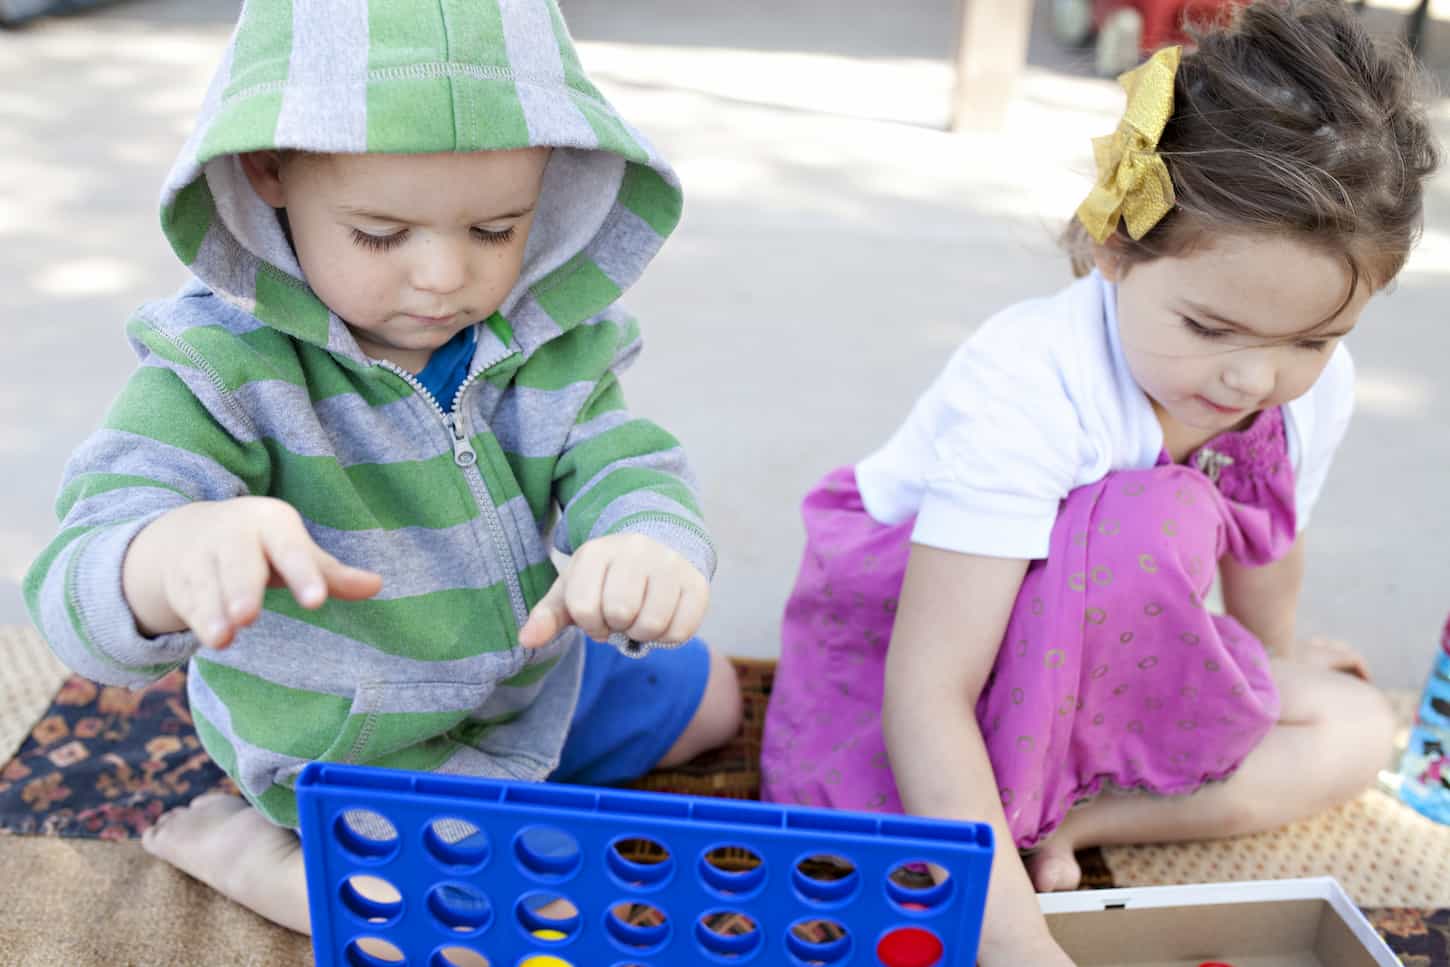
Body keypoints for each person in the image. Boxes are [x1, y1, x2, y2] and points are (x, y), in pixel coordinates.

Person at [24, 0, 741, 935]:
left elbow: (623, 461)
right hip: (346, 733)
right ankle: (254, 851)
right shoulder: (222, 368)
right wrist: (166, 554)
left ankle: (458, 812)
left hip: (522, 686)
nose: (445, 277)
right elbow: (75, 582)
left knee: (712, 698)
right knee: (504, 920)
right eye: (380, 233)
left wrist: (646, 542)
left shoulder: (547, 342)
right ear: (268, 169)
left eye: (495, 229)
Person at [759, 2, 1438, 963]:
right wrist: (1013, 942)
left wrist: (1261, 674)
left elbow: (1270, 548)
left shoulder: (1306, 389)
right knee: (1149, 520)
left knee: (1355, 727)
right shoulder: (1028, 382)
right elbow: (929, 687)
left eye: (1313, 340)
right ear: (1115, 247)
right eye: (1212, 329)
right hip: (921, 673)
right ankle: (1005, 837)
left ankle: (1078, 819)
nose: (1253, 380)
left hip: (1088, 677)